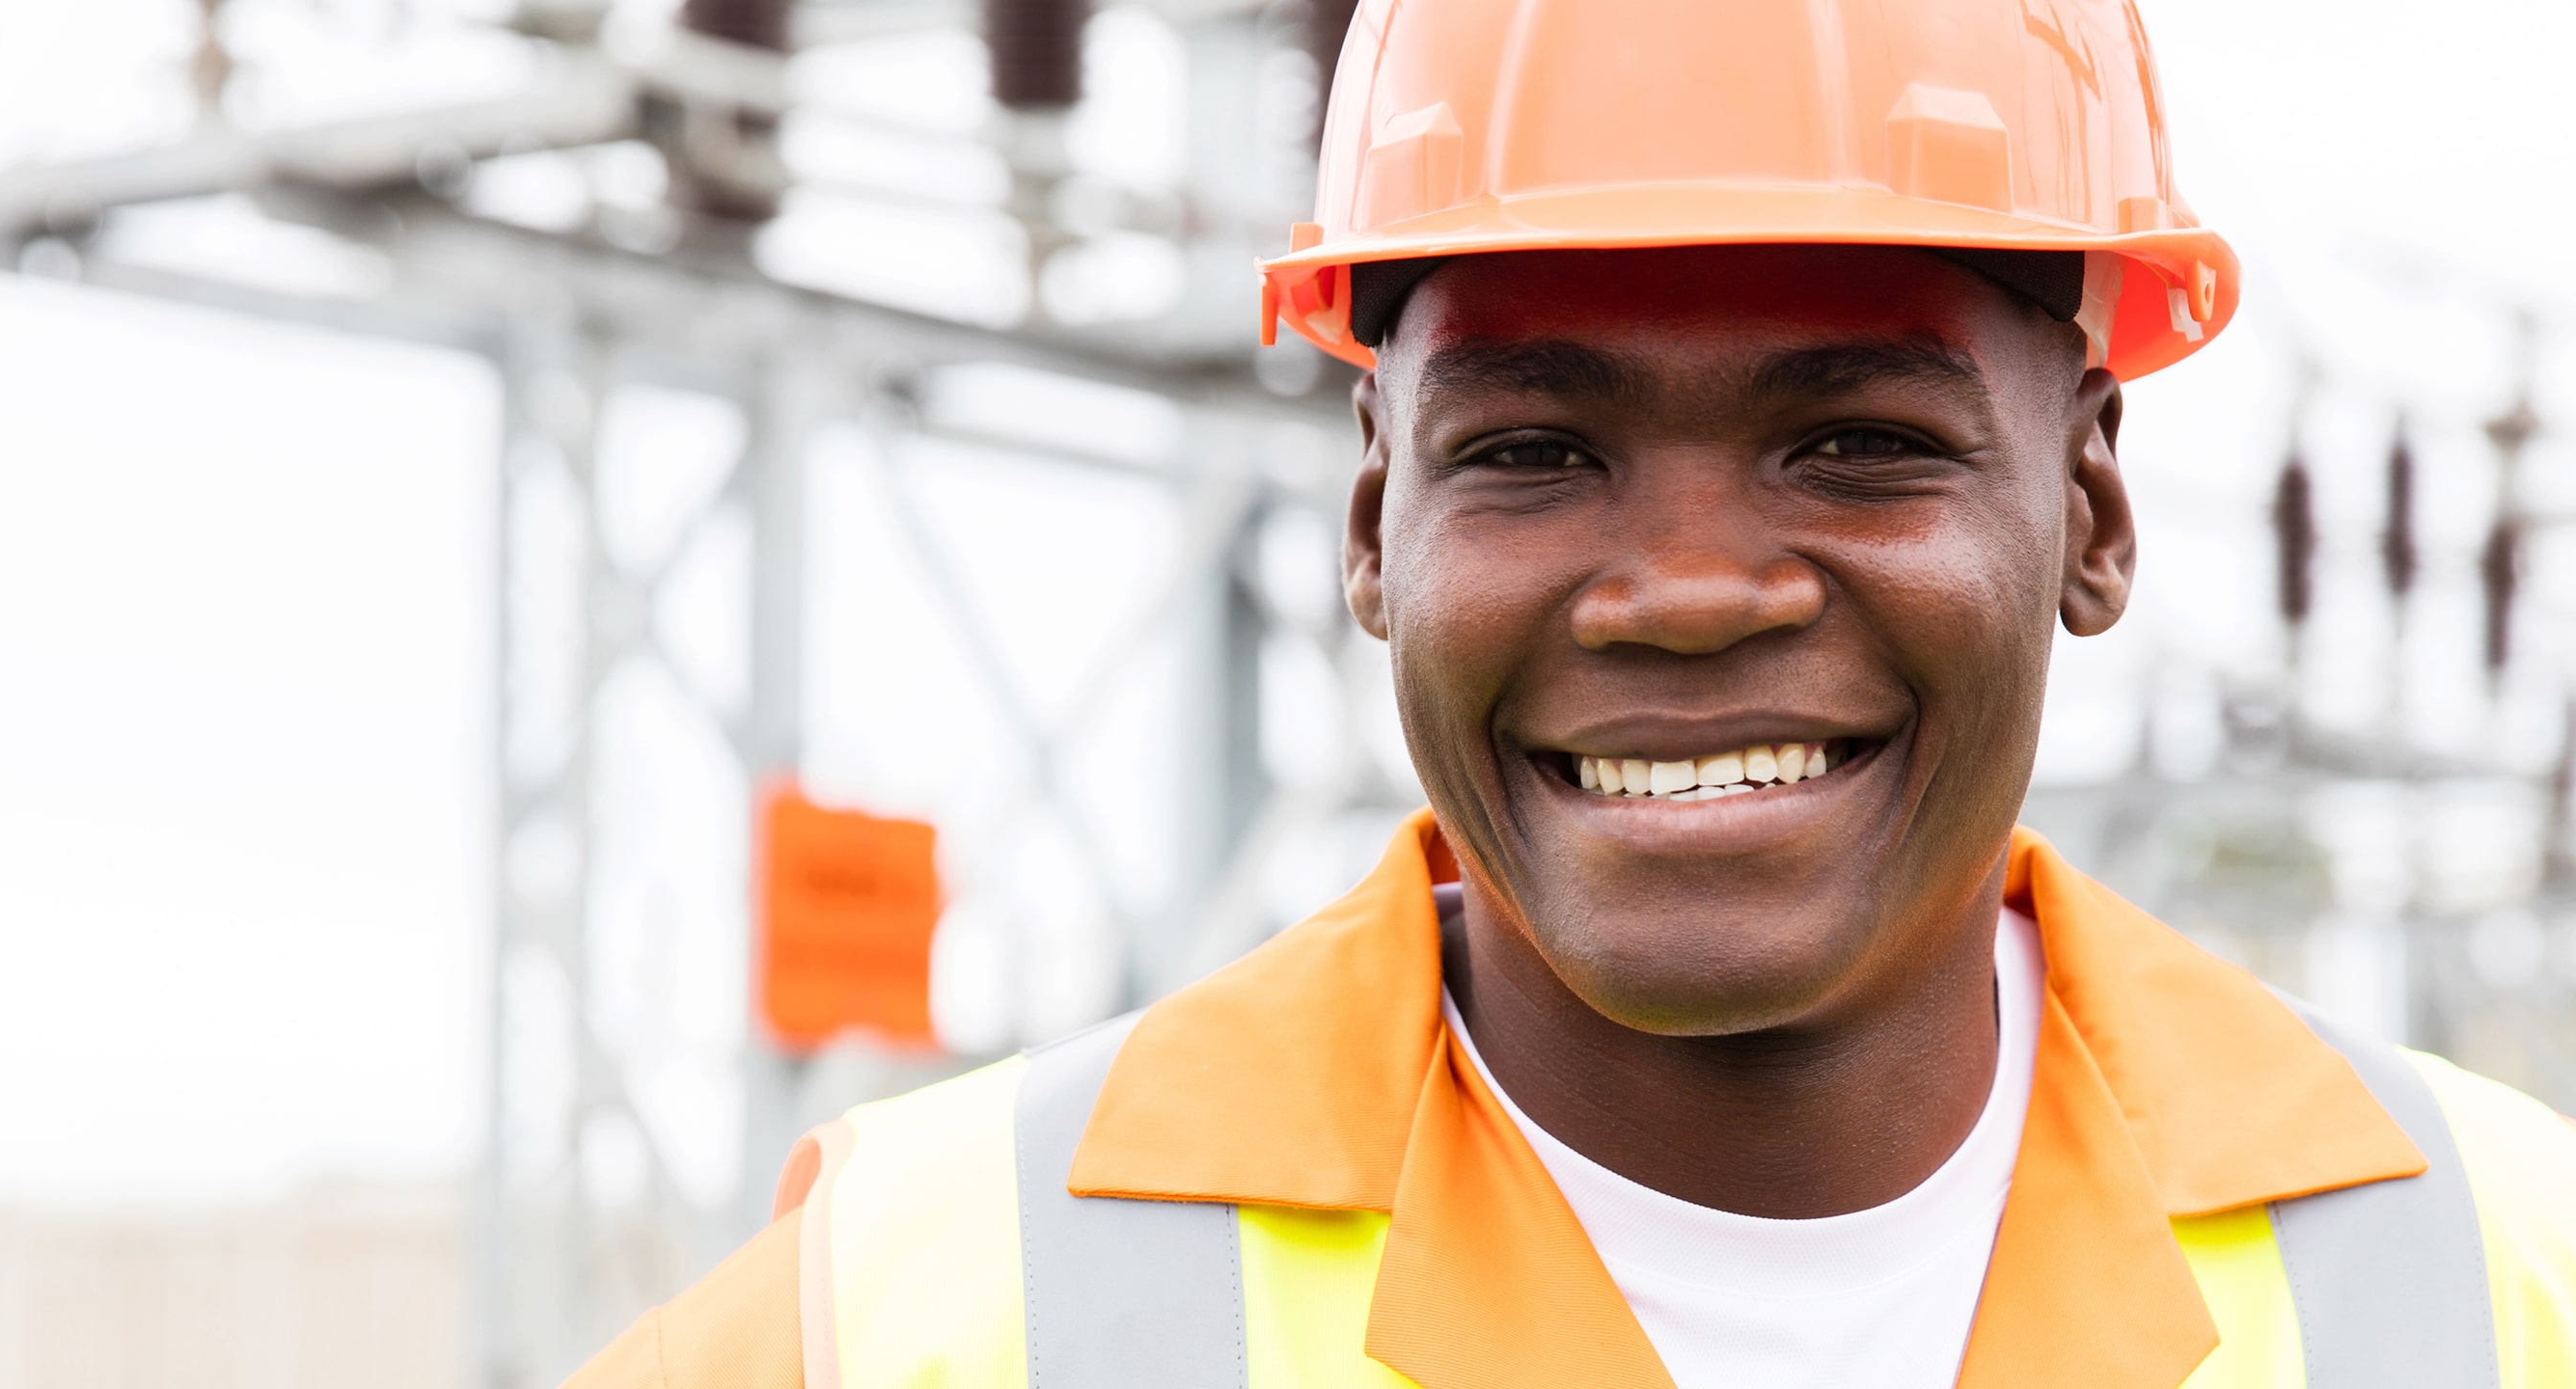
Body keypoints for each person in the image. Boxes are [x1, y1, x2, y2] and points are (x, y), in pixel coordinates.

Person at [569, 1, 2576, 1385]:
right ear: (1375, 533)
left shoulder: (2496, 1278)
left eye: (1861, 440)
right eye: (1534, 453)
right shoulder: (924, 1313)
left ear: (2092, 516)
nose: (1691, 592)